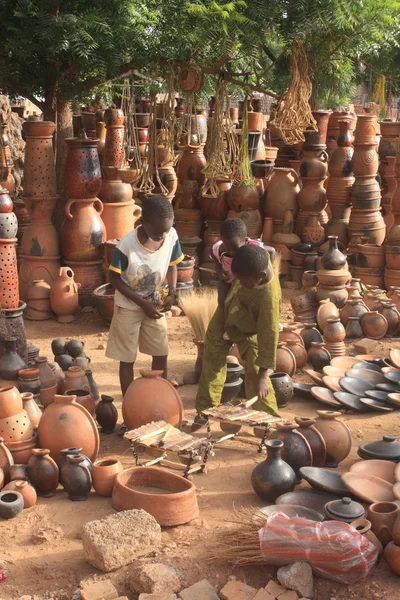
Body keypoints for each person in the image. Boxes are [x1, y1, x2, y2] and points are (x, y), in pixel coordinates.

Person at [194, 244, 281, 429]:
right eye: (237, 278)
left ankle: (267, 421)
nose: (239, 283)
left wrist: (264, 377)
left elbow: (269, 338)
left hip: (249, 329)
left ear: (261, 276)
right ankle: (205, 411)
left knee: (256, 370)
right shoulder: (258, 257)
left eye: (244, 281)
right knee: (212, 352)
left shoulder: (269, 301)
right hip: (228, 309)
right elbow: (270, 250)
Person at [106, 195, 184, 396]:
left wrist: (172, 293)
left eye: (166, 230)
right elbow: (114, 278)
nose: (162, 236)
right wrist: (141, 303)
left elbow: (174, 264)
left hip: (154, 304)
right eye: (157, 232)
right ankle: (130, 401)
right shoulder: (127, 245)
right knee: (127, 358)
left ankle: (162, 397)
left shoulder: (171, 235)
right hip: (129, 307)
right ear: (143, 222)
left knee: (161, 352)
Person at [210, 218, 276, 306]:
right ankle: (225, 317)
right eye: (228, 249)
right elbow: (213, 256)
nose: (232, 252)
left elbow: (271, 251)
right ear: (222, 240)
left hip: (247, 280)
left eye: (235, 249)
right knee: (222, 302)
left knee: (247, 303)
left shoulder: (253, 248)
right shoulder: (219, 250)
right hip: (228, 280)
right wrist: (219, 270)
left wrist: (266, 272)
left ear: (246, 241)